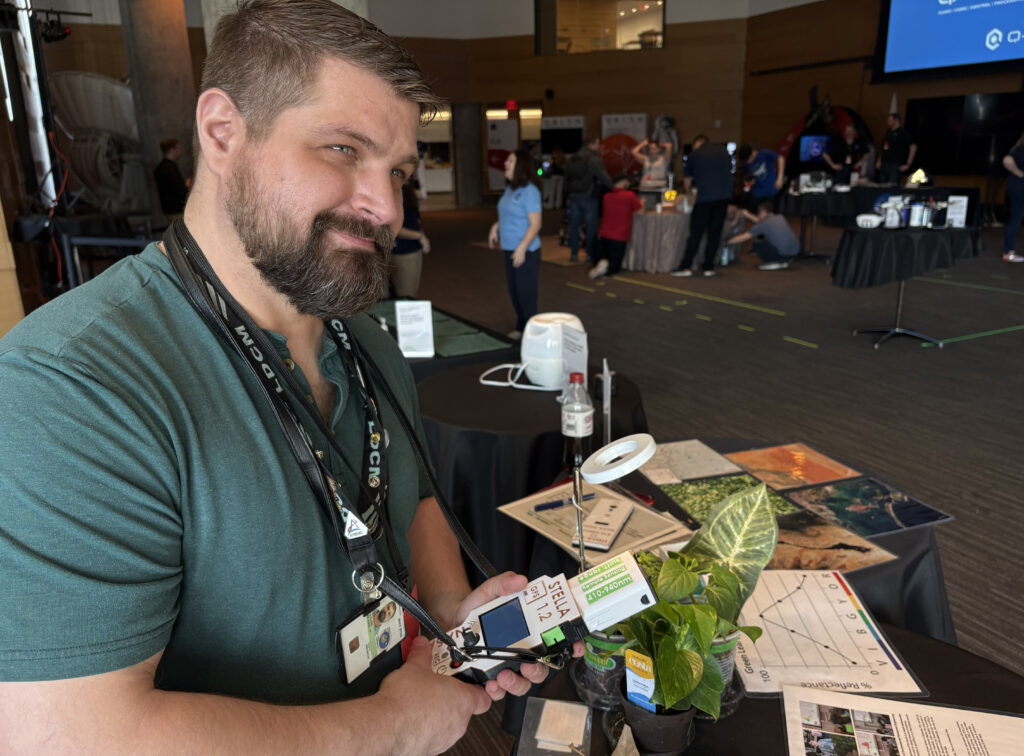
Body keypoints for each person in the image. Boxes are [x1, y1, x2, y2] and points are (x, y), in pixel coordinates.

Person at [0, 3, 567, 753]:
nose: (386, 206)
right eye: (341, 149)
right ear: (223, 130)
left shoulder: (365, 340)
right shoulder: (74, 387)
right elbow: (68, 735)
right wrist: (391, 727)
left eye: (397, 170)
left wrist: (452, 610)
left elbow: (412, 493)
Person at [489, 149, 542, 339]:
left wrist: (522, 247)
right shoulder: (510, 190)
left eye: (510, 161)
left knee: (526, 295)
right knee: (515, 292)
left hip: (526, 252)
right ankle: (522, 328)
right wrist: (495, 227)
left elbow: (536, 224)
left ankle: (532, 336)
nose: (505, 164)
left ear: (520, 165)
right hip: (510, 250)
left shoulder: (530, 191)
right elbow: (508, 215)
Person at [672, 134, 733, 278]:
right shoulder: (724, 151)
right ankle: (708, 267)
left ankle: (685, 266)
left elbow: (687, 181)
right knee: (714, 234)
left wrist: (690, 194)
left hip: (704, 199)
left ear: (697, 144)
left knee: (696, 233)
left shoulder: (694, 155)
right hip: (723, 198)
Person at [564, 135, 613, 263]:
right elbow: (604, 178)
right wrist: (616, 186)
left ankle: (574, 254)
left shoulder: (572, 158)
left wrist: (567, 195)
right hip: (589, 197)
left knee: (574, 226)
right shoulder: (594, 159)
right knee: (591, 227)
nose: (599, 146)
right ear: (593, 144)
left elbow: (566, 178)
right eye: (598, 143)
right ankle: (590, 254)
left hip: (574, 196)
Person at [589, 172, 641, 279]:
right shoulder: (630, 195)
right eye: (626, 180)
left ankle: (602, 264)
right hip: (620, 236)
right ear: (622, 182)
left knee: (607, 256)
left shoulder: (606, 196)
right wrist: (643, 202)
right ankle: (607, 270)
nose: (628, 182)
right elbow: (639, 209)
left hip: (604, 235)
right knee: (615, 265)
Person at [724, 202, 800, 270]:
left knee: (757, 243)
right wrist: (748, 215)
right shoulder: (780, 217)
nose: (758, 214)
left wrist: (725, 241)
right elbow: (761, 222)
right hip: (793, 253)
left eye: (758, 213)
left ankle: (776, 261)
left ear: (763, 212)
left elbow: (743, 238)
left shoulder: (763, 224)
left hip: (781, 254)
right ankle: (783, 261)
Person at [391, 180, 430, 296]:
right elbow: (395, 228)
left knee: (408, 291)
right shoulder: (398, 197)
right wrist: (420, 237)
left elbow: (416, 222)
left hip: (410, 248)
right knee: (406, 293)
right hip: (404, 250)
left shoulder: (409, 199)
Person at [737, 143, 785, 211]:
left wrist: (780, 178)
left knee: (771, 215)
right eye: (746, 161)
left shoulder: (765, 153)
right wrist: (748, 182)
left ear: (753, 152)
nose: (748, 162)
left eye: (749, 159)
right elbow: (746, 175)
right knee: (755, 213)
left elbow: (781, 159)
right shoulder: (746, 162)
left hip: (771, 190)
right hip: (757, 192)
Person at [1001, 130, 1024, 263]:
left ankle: (1008, 251)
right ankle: (1008, 252)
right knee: (1016, 217)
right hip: (1019, 188)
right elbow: (1007, 160)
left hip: (1017, 187)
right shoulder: (1021, 150)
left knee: (1016, 217)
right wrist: (1019, 173)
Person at [153, 137, 190, 216]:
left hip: (167, 209)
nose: (180, 150)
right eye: (178, 148)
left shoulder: (158, 168)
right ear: (172, 150)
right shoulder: (171, 167)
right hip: (177, 208)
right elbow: (178, 189)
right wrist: (186, 185)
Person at [876, 113, 916, 185]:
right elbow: (883, 148)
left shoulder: (903, 132)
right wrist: (879, 160)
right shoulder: (888, 132)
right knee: (882, 185)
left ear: (896, 120)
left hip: (895, 164)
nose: (888, 122)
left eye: (890, 120)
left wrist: (908, 163)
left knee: (893, 185)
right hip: (884, 164)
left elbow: (913, 147)